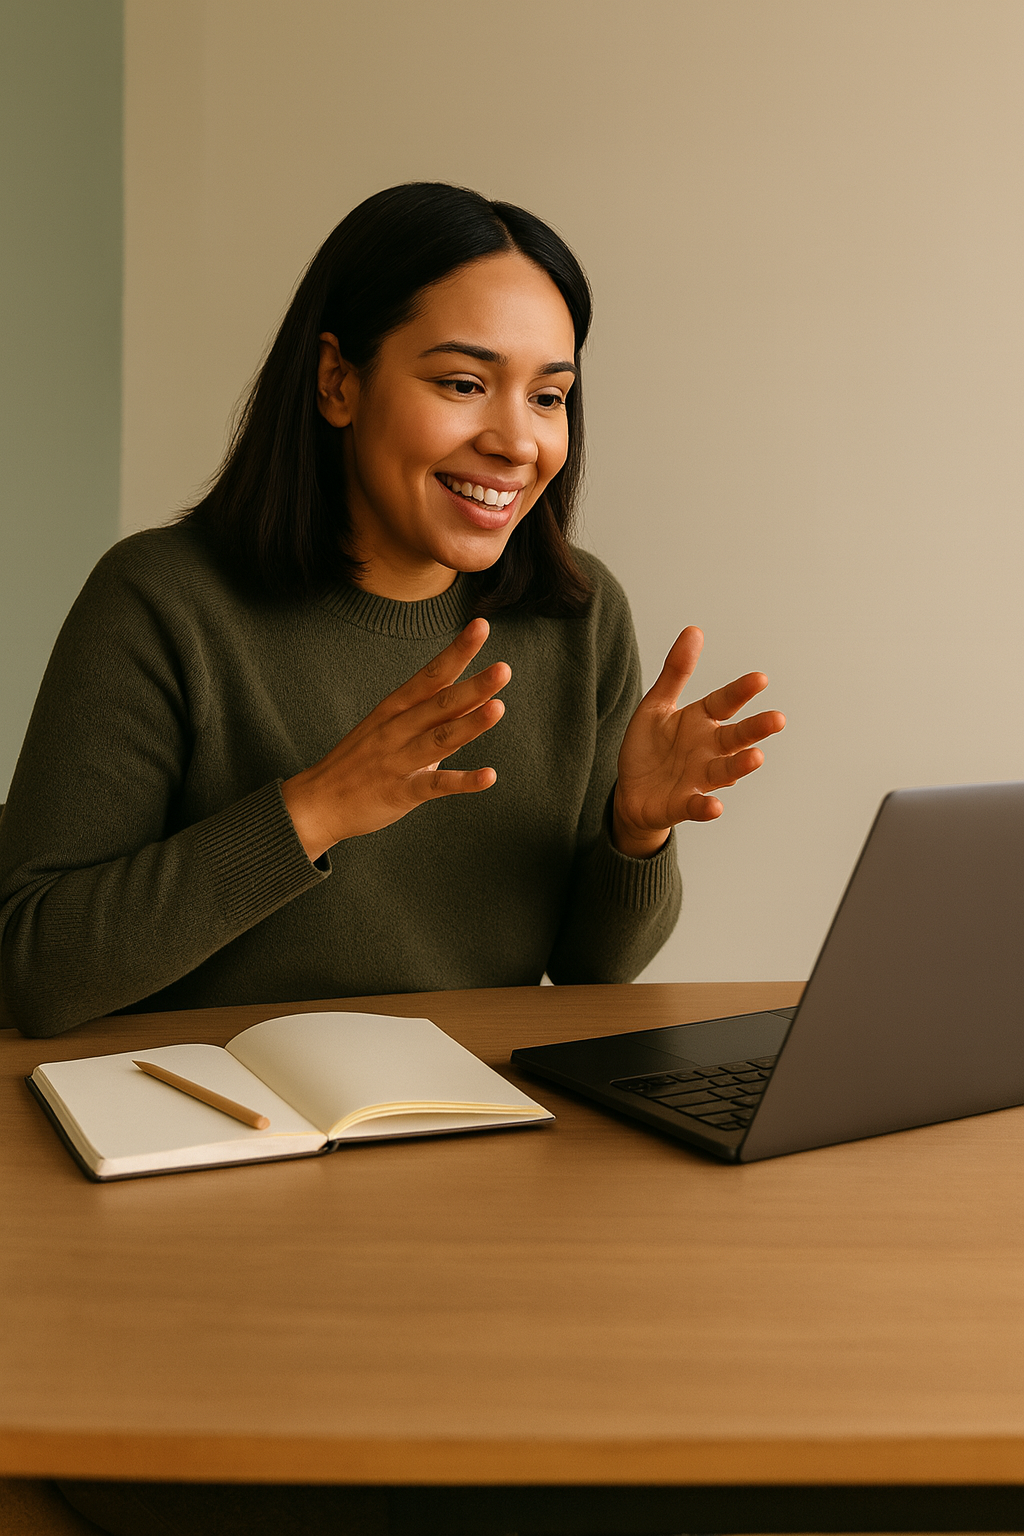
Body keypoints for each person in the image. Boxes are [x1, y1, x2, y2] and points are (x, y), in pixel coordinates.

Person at [0, 182, 784, 1533]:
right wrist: (310, 810)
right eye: (465, 381)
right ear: (338, 379)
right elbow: (31, 966)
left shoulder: (573, 616)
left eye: (551, 395)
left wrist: (631, 829)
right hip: (197, 1205)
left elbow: (587, 968)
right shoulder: (164, 601)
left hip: (480, 1189)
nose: (516, 438)